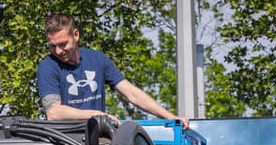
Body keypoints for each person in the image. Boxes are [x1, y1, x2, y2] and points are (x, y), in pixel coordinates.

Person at [37, 12, 189, 129]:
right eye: (52, 46)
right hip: (64, 144)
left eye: (63, 44)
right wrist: (98, 115)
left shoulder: (98, 59)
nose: (58, 51)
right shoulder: (47, 66)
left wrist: (169, 116)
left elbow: (132, 93)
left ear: (76, 35)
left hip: (97, 139)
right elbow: (53, 113)